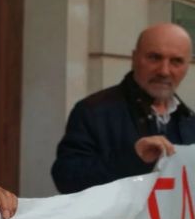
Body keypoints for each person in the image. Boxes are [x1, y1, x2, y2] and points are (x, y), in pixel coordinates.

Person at [51, 23, 195, 194]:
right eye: (154, 57)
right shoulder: (93, 111)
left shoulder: (188, 119)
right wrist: (133, 158)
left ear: (188, 66)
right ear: (134, 58)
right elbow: (66, 179)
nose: (164, 71)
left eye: (176, 61)